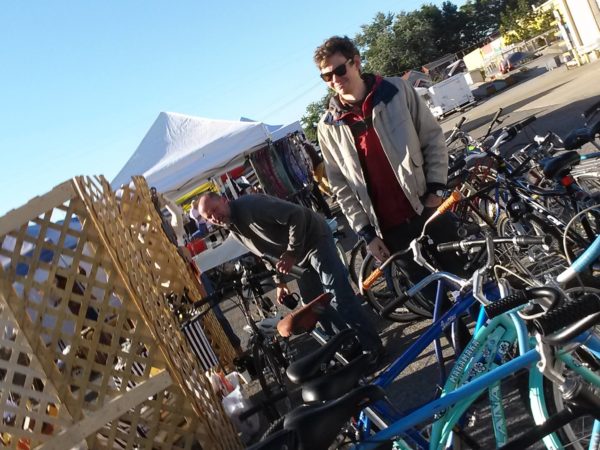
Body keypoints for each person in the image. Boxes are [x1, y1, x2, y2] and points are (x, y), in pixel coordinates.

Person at [313, 36, 469, 348]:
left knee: (465, 285)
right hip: (389, 232)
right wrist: (366, 234)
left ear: (356, 62)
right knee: (436, 303)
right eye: (326, 76)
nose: (335, 80)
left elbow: (433, 140)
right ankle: (471, 366)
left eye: (339, 70)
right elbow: (341, 189)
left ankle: (507, 350)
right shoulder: (327, 126)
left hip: (428, 209)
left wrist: (436, 191)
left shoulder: (395, 91)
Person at [196, 192, 383, 359]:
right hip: (300, 256)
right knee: (312, 303)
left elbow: (297, 215)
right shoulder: (233, 228)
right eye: (209, 217)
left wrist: (292, 253)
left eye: (214, 209)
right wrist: (280, 282)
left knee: (340, 297)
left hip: (315, 238)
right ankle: (349, 342)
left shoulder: (251, 205)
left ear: (223, 200)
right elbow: (266, 253)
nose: (214, 217)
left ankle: (373, 348)